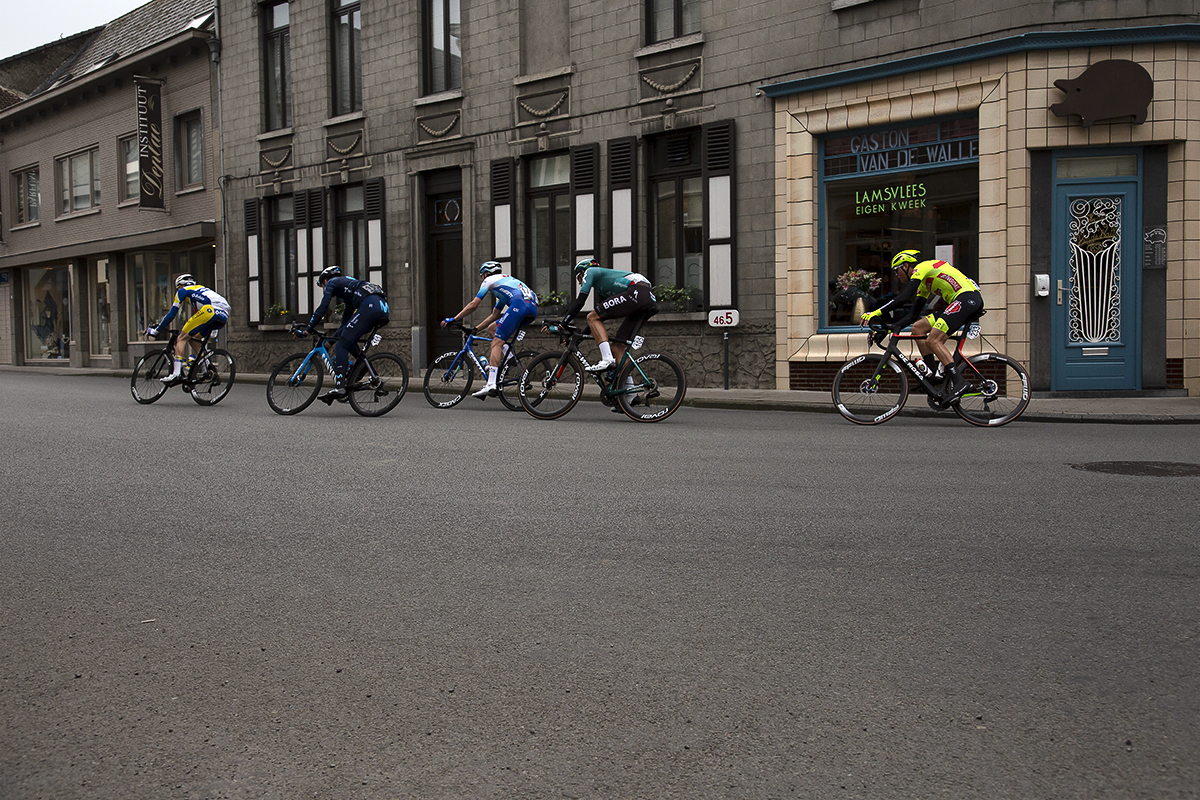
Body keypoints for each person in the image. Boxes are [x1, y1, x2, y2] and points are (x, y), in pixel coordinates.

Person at [860, 249, 984, 400]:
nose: (896, 275)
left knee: (933, 339)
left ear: (905, 266)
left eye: (896, 270)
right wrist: (890, 328)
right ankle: (932, 376)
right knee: (918, 327)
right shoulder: (924, 284)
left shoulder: (922, 268)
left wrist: (875, 313)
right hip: (961, 302)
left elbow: (904, 297)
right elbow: (913, 315)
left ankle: (959, 382)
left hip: (967, 298)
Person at [442, 261, 538, 398]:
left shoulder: (489, 280)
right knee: (492, 329)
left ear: (486, 273)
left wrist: (454, 319)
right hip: (532, 309)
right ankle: (511, 362)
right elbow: (495, 315)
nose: (482, 278)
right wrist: (475, 329)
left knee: (496, 343)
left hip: (519, 304)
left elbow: (473, 305)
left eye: (482, 275)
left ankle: (491, 384)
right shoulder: (504, 284)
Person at [294, 266, 390, 402]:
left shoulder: (332, 282)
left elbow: (323, 308)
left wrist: (307, 330)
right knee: (347, 338)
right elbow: (344, 326)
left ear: (325, 280)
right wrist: (329, 342)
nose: (324, 289)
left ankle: (340, 386)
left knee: (342, 346)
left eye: (322, 285)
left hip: (370, 305)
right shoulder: (350, 293)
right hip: (381, 308)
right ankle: (370, 373)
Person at [561, 258, 657, 373]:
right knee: (617, 347)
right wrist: (580, 338)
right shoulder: (603, 288)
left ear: (582, 272)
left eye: (578, 278)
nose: (579, 282)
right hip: (646, 298)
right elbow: (597, 318)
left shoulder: (590, 271)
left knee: (591, 317)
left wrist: (562, 324)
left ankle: (607, 359)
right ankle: (630, 389)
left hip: (637, 289)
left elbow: (580, 302)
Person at [146, 274, 231, 385]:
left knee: (181, 338)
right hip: (224, 315)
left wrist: (157, 330)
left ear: (180, 286)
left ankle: (176, 374)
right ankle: (208, 369)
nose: (178, 290)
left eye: (178, 288)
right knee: (193, 337)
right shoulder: (201, 290)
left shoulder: (182, 291)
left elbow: (171, 314)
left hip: (210, 310)